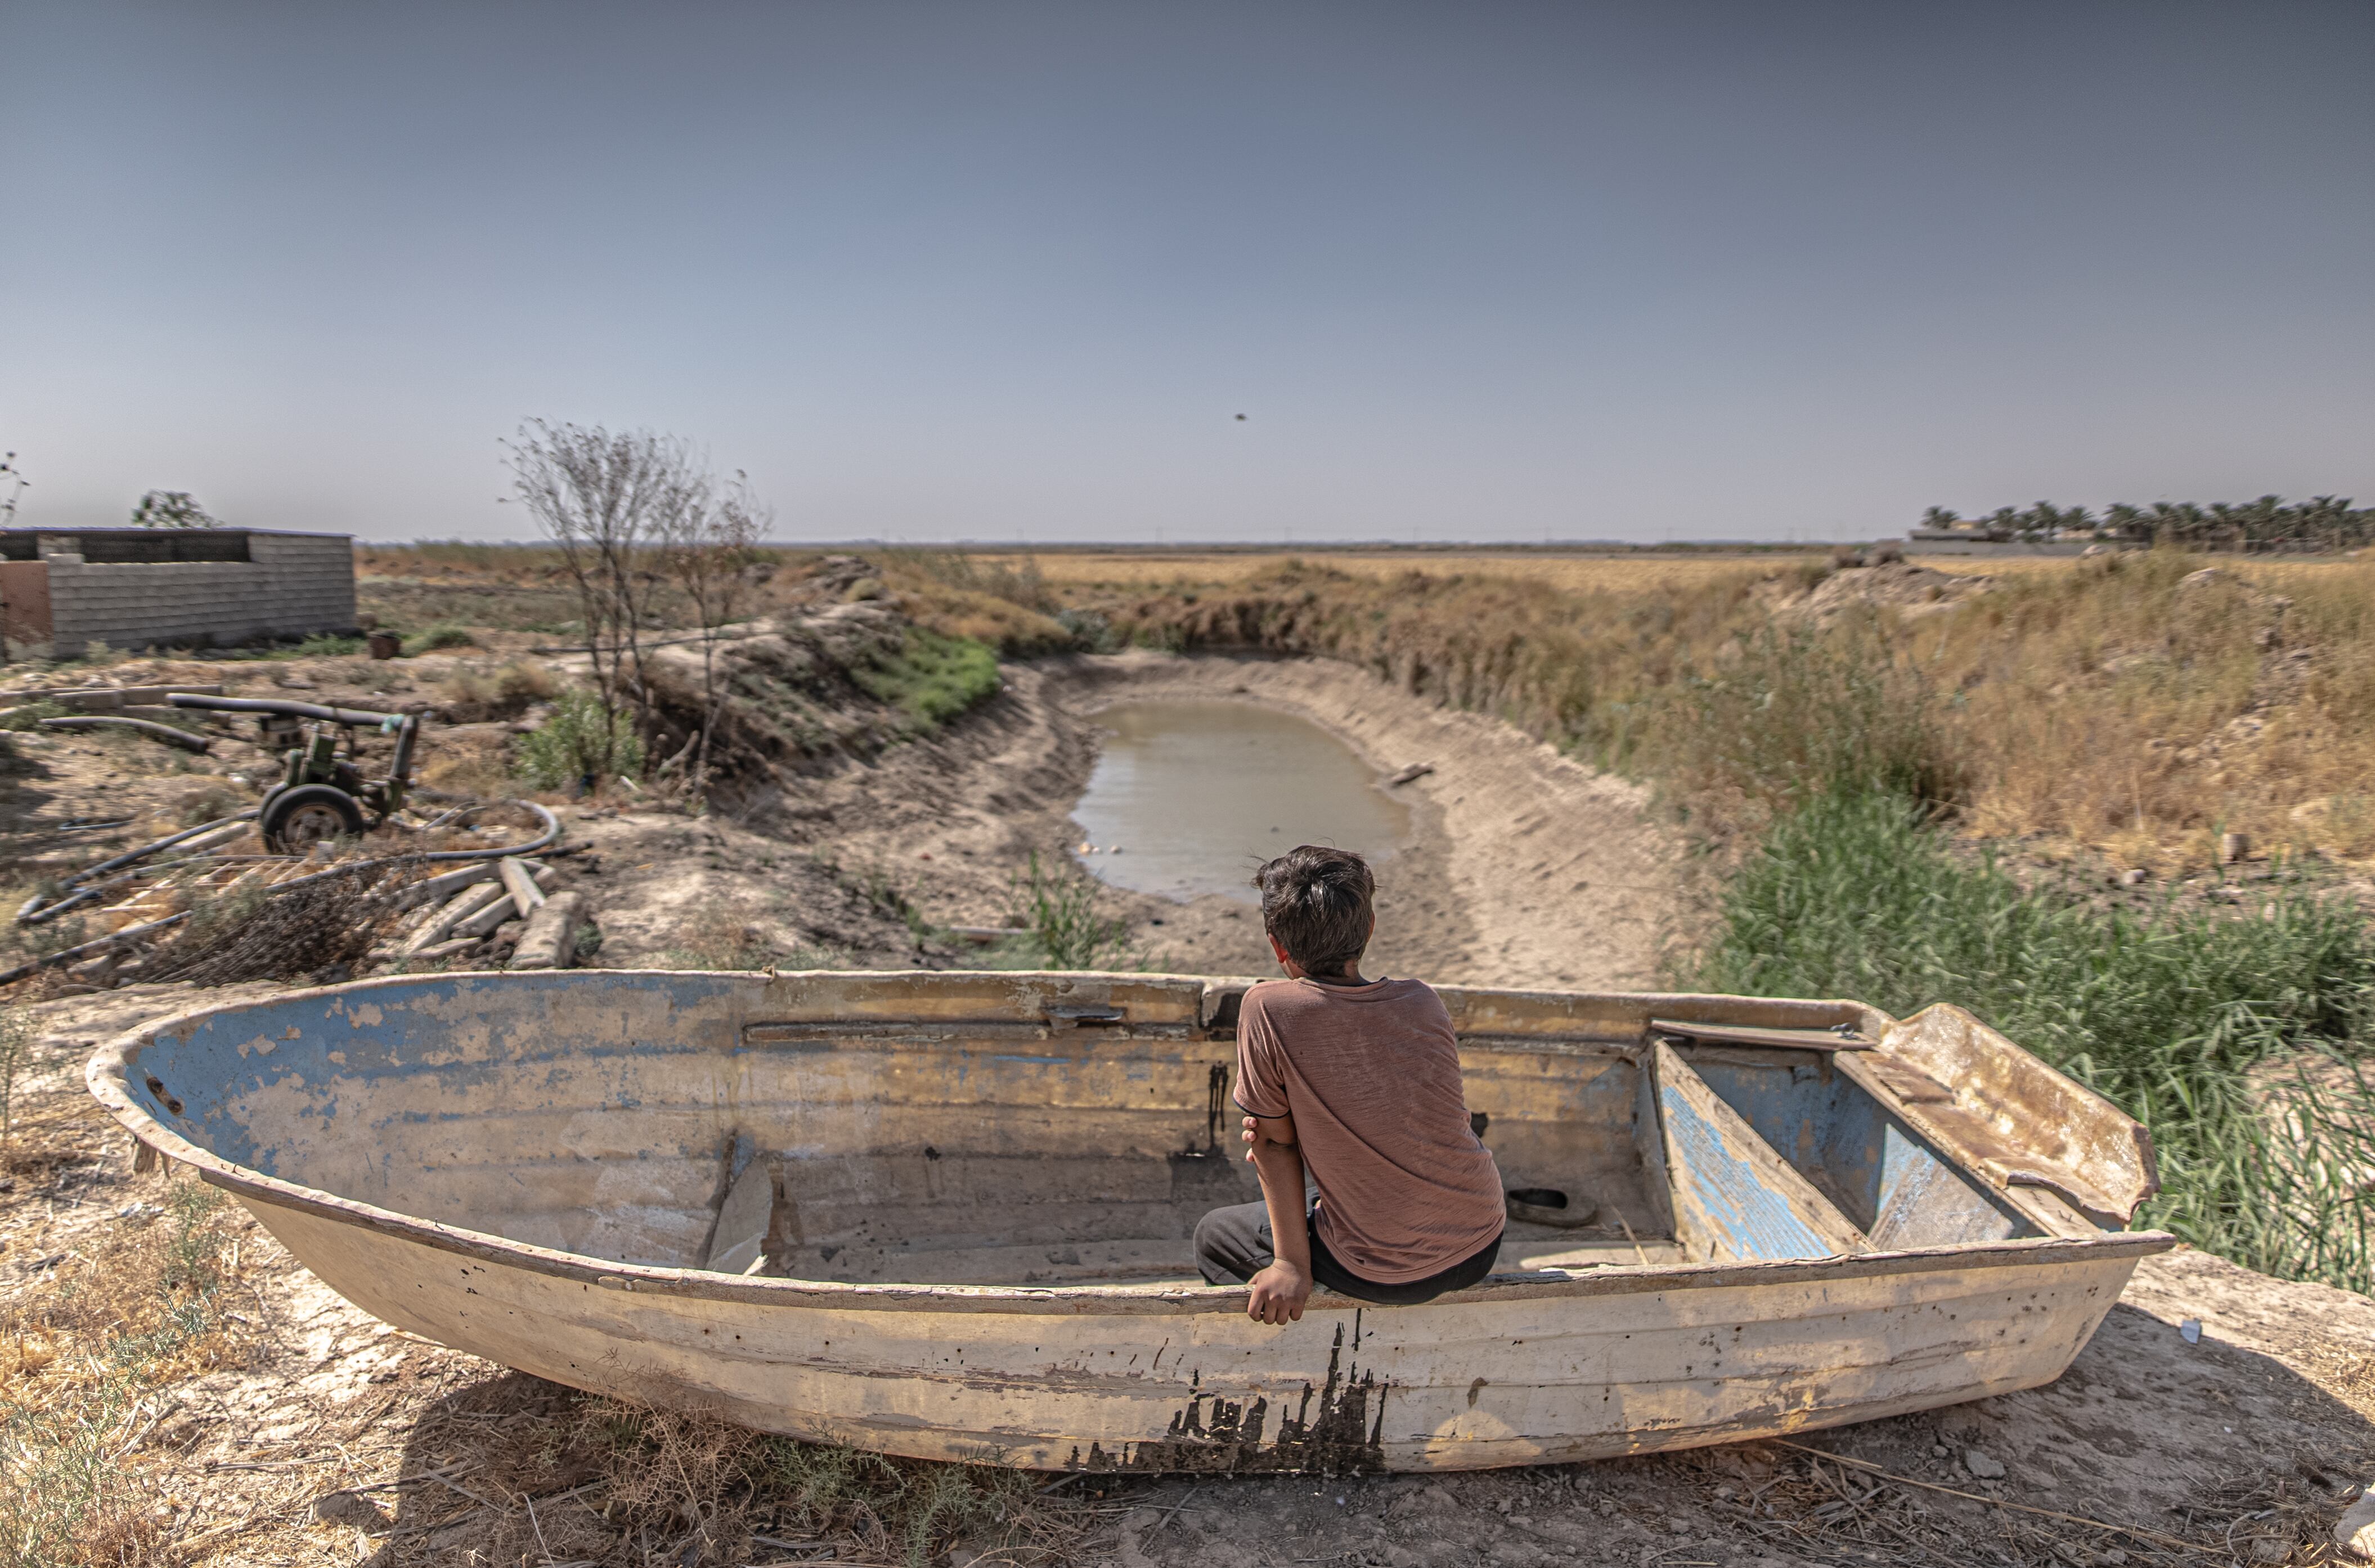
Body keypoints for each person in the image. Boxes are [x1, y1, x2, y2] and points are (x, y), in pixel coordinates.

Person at [1193, 845, 1505, 1324]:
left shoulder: (1267, 1007)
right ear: (1370, 928)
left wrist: (1290, 1263)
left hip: (1382, 1271)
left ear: (1277, 946)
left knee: (1215, 1234)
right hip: (1481, 1238)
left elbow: (1275, 1144)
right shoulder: (1423, 1000)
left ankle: (1310, 1327)